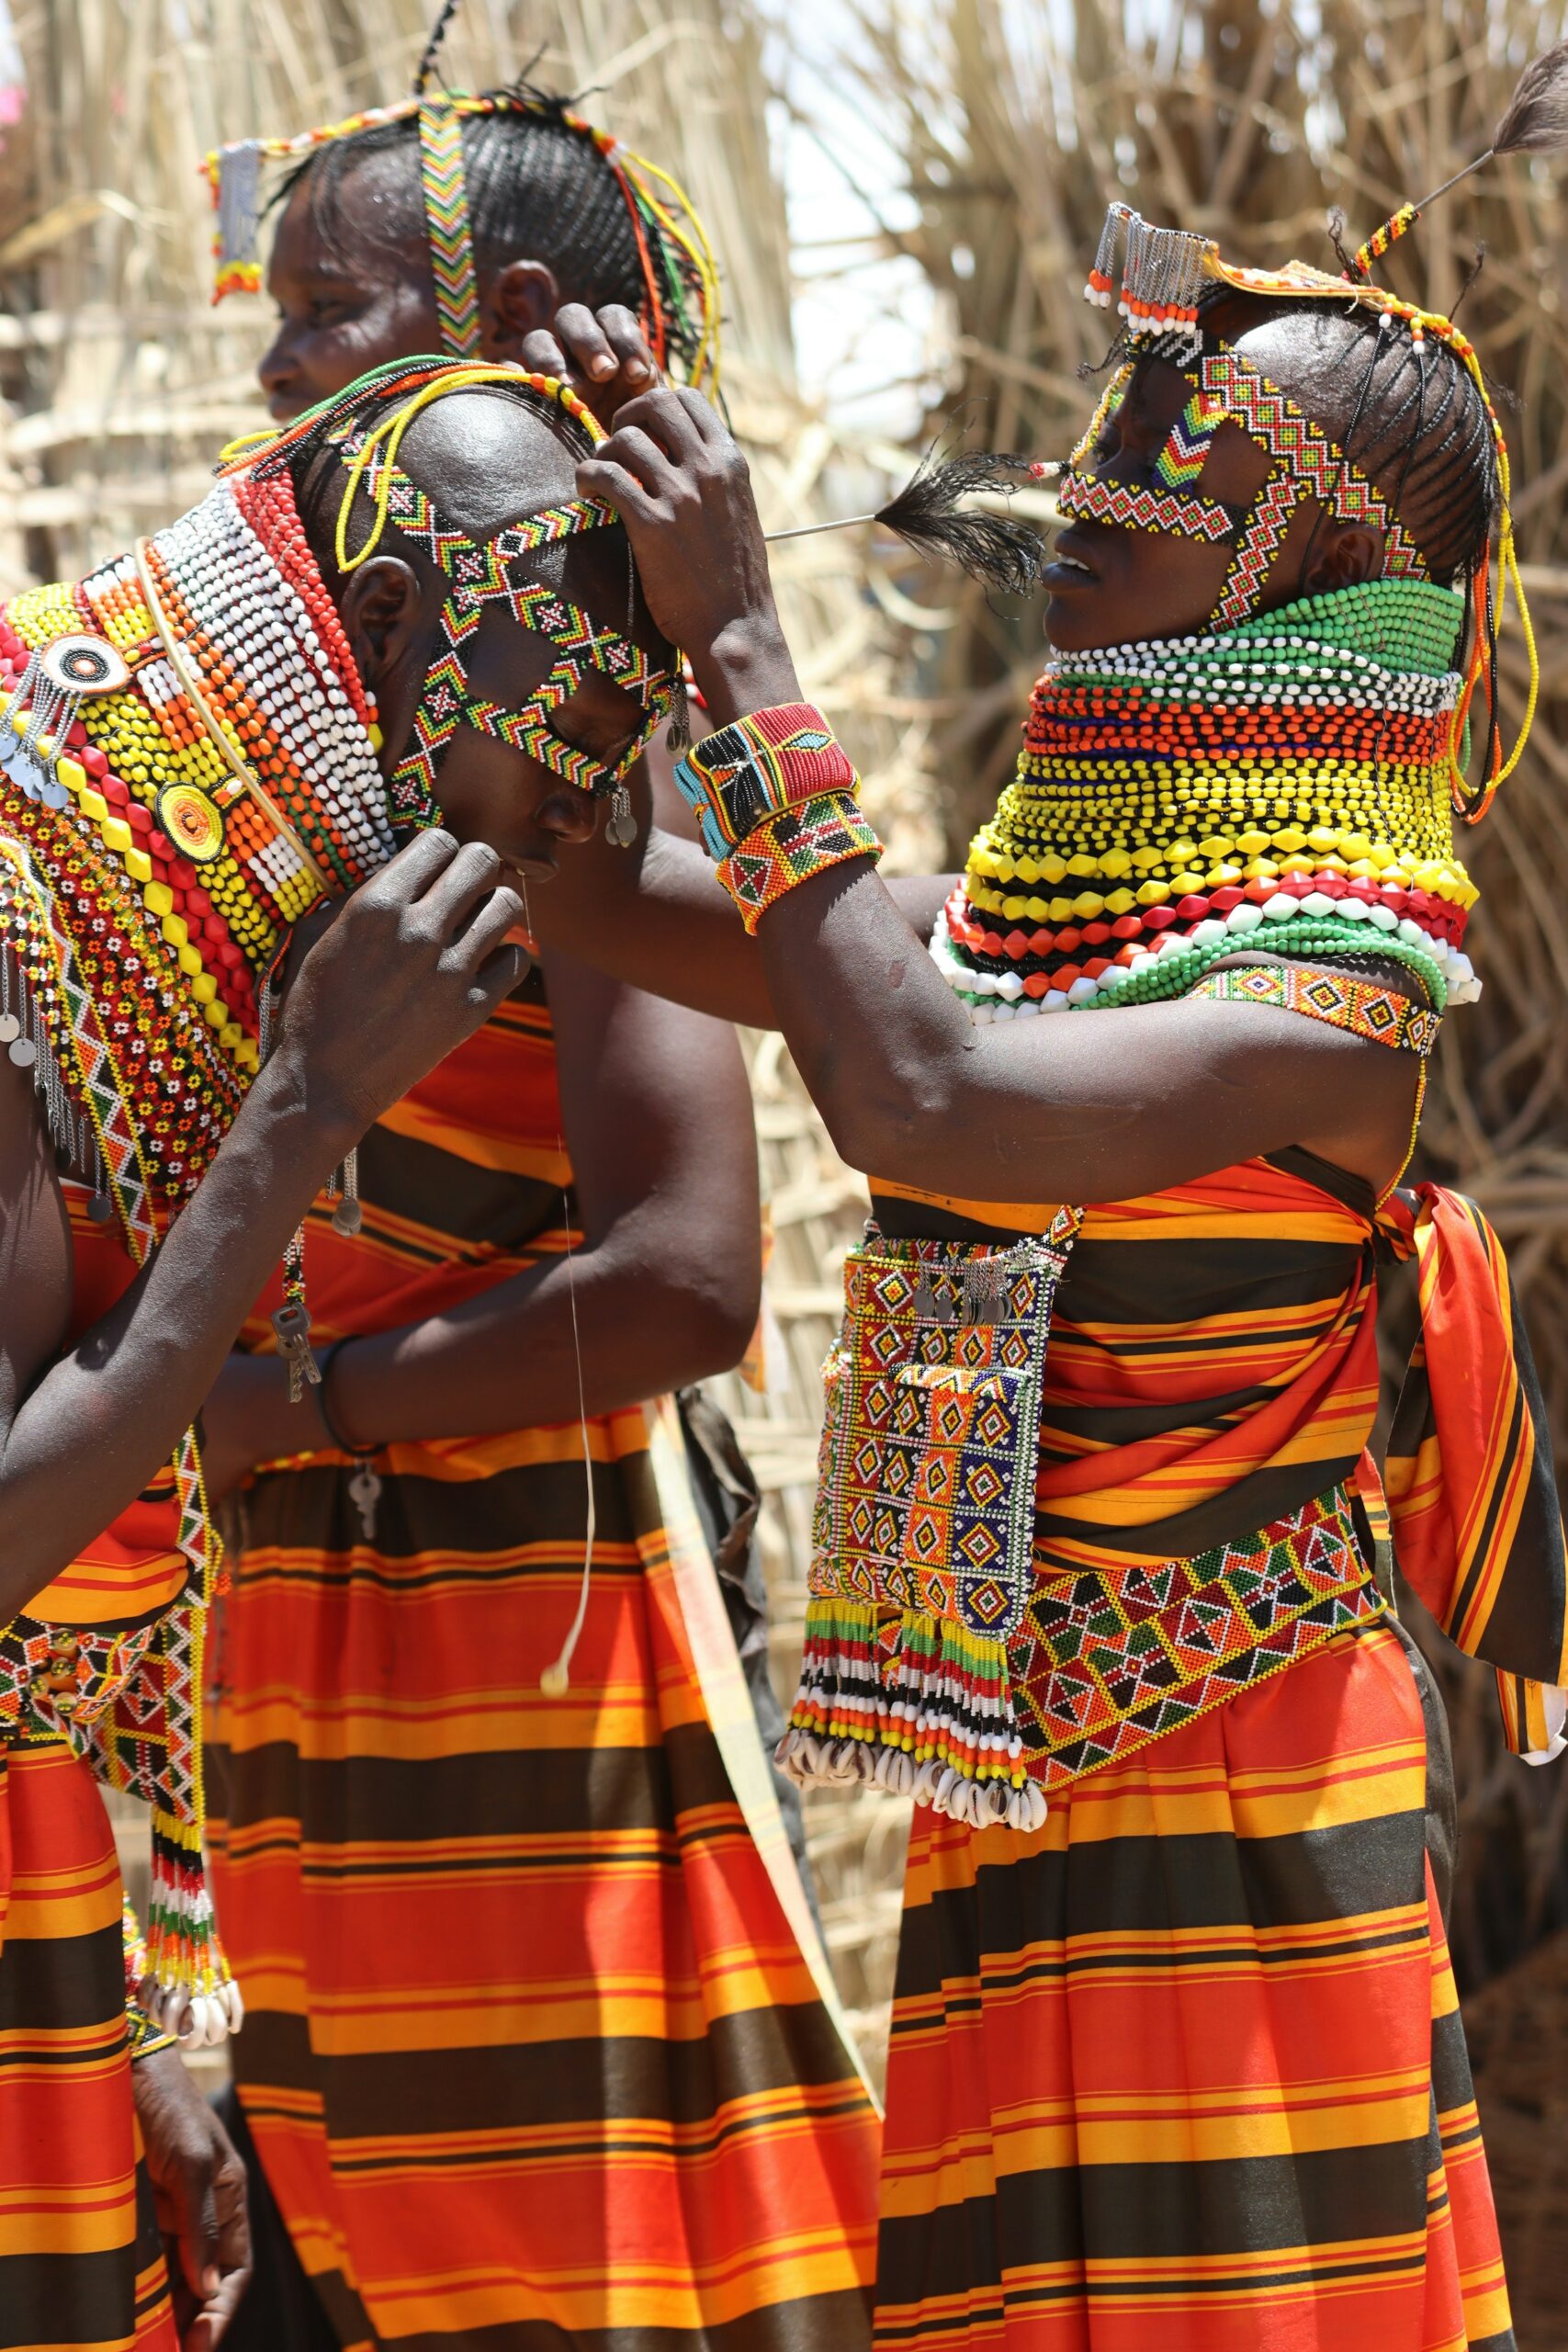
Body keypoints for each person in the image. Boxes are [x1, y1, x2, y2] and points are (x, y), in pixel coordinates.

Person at [518, 200, 1568, 2348]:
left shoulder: (1337, 984)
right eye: (1109, 424)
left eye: (1178, 461)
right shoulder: (1018, 941)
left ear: (1309, 573)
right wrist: (596, 561)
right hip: (1028, 1777)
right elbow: (571, 873)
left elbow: (916, 1098)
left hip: (1240, 1800)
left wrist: (743, 650)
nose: (1091, 482)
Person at [194, 71, 879, 2352]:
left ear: (486, 320)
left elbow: (686, 1268)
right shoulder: (333, 697)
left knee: (548, 2262)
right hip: (334, 1603)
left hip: (531, 1624)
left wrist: (283, 1403)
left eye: (325, 316)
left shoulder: (557, 703)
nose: (278, 368)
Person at [0, 358, 665, 2348]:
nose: (585, 794)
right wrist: (300, 1116)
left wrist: (115, 2036)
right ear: (376, 631)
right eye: (561, 702)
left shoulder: (147, 912)